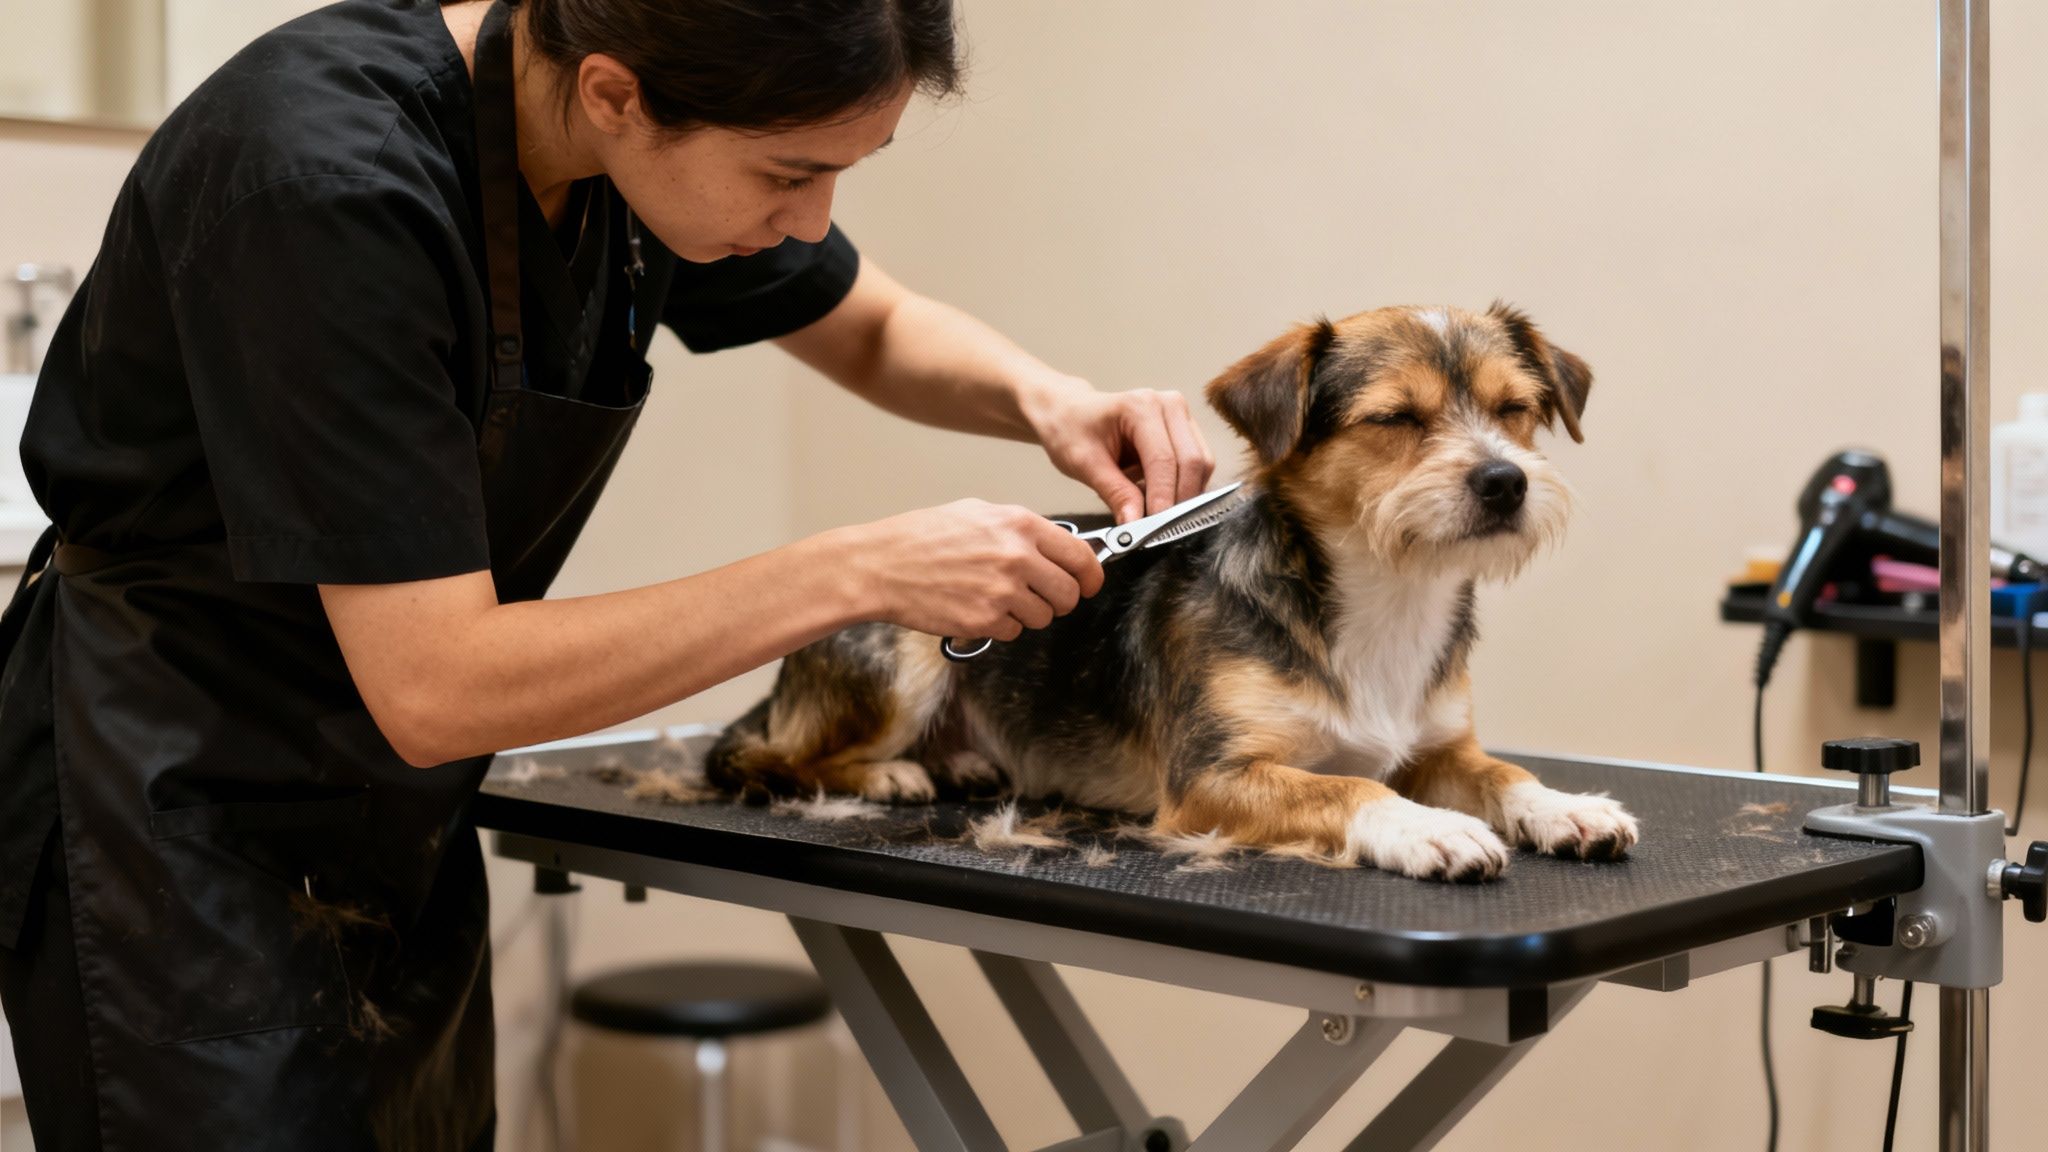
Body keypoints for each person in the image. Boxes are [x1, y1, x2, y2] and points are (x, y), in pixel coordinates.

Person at [0, 0, 1214, 1147]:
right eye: (789, 174)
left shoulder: (609, 154)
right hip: (170, 803)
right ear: (614, 92)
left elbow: (870, 326)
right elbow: (436, 687)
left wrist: (1047, 401)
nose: (808, 217)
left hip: (381, 808)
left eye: (844, 169)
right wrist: (860, 569)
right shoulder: (324, 183)